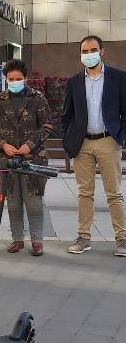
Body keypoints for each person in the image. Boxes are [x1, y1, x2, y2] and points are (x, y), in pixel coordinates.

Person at [62, 35, 126, 256]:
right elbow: (67, 115)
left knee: (114, 194)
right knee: (84, 193)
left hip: (109, 141)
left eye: (93, 50)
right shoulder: (74, 82)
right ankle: (83, 237)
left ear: (102, 51)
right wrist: (69, 140)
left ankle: (122, 239)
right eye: (84, 51)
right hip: (83, 144)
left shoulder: (119, 78)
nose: (88, 55)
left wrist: (121, 136)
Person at [0, 59, 52, 256]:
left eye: (18, 79)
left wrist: (29, 144)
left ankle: (37, 241)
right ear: (6, 79)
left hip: (32, 159)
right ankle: (17, 239)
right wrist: (2, 144)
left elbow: (47, 126)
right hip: (6, 160)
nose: (15, 81)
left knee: (33, 201)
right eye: (11, 79)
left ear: (26, 78)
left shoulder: (37, 98)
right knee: (12, 201)